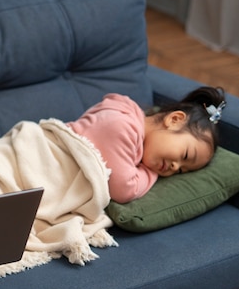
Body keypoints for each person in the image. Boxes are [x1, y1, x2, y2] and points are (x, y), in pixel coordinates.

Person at [66, 86, 226, 203]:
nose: (176, 167)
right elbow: (124, 190)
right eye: (185, 155)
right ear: (174, 120)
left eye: (182, 171)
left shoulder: (135, 136)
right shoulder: (121, 126)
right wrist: (150, 173)